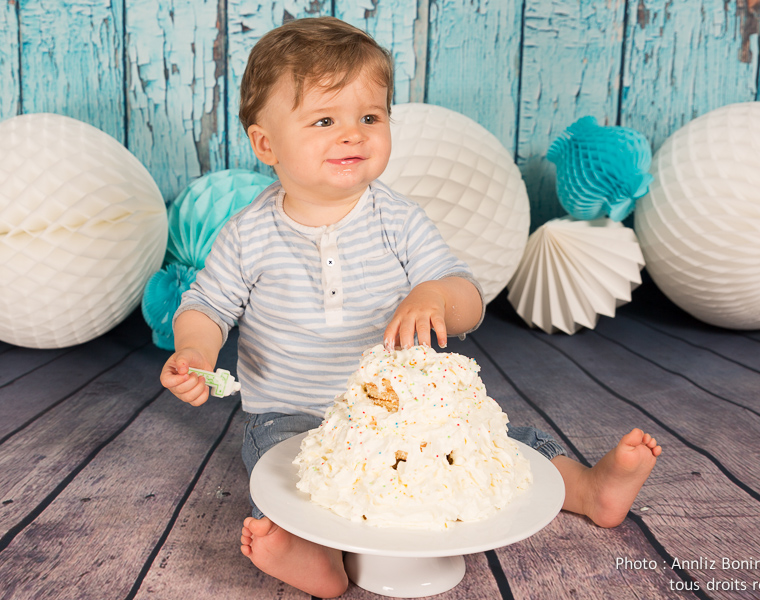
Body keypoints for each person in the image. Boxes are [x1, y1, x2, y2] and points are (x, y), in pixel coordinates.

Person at [159, 16, 662, 599]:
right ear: (266, 143)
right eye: (325, 120)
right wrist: (194, 349)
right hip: (296, 416)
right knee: (283, 475)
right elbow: (207, 304)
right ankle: (318, 559)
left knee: (500, 447)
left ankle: (586, 488)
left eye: (369, 118)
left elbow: (467, 298)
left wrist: (434, 295)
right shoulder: (247, 235)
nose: (353, 135)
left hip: (408, 414)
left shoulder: (396, 220)